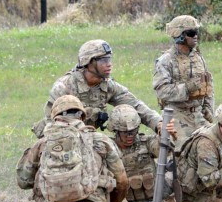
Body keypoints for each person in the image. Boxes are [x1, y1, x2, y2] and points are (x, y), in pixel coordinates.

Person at [17, 95, 128, 202]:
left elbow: (23, 181)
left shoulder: (43, 143)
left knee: (39, 184)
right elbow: (122, 182)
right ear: (82, 116)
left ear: (55, 117)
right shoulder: (100, 140)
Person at [32, 39, 163, 138]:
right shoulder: (65, 87)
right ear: (88, 62)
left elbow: (136, 105)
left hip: (89, 137)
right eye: (103, 60)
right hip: (61, 139)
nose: (109, 64)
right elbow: (51, 124)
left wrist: (158, 123)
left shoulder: (108, 86)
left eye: (110, 59)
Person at [106, 104, 178, 202]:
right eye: (125, 132)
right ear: (115, 130)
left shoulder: (146, 143)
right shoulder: (107, 150)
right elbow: (106, 190)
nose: (130, 136)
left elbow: (163, 149)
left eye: (133, 131)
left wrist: (167, 134)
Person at [153, 15, 214, 145]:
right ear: (180, 35)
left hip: (198, 114)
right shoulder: (166, 61)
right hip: (177, 116)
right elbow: (162, 91)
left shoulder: (198, 58)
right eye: (191, 33)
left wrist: (208, 109)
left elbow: (208, 84)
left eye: (197, 32)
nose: (196, 36)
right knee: (182, 152)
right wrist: (186, 88)